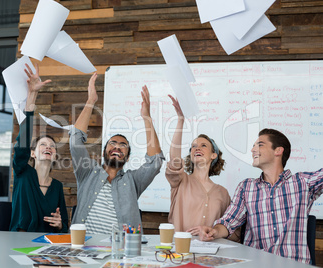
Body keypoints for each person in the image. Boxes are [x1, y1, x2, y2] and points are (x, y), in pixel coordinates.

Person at [199, 128, 323, 264]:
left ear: (278, 151)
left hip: (293, 264)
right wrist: (215, 231)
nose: (252, 150)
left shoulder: (303, 183)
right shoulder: (246, 187)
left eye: (260, 145)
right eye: (253, 146)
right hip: (257, 263)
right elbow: (229, 221)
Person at [69, 73, 164, 234]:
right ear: (104, 151)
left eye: (123, 145)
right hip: (85, 248)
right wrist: (91, 101)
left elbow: (155, 162)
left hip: (121, 252)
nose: (117, 147)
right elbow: (75, 141)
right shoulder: (87, 173)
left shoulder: (133, 181)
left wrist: (147, 118)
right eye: (112, 143)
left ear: (127, 157)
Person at [166, 95, 239, 241]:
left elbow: (231, 230)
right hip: (181, 250)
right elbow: (174, 159)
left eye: (203, 145)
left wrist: (213, 232)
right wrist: (181, 120)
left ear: (214, 155)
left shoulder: (222, 193)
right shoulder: (181, 181)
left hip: (211, 254)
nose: (197, 148)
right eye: (193, 146)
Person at [9, 64, 68, 233]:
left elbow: (64, 226)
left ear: (55, 156)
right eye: (43, 144)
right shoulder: (22, 173)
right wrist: (32, 95)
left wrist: (60, 225)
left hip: (47, 247)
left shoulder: (56, 187)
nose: (48, 147)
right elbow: (22, 143)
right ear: (32, 153)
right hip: (19, 246)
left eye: (52, 146)